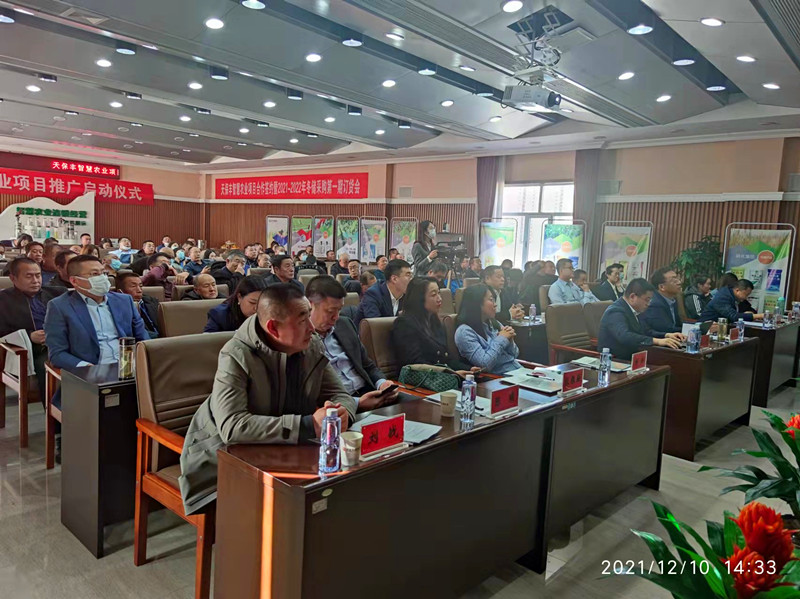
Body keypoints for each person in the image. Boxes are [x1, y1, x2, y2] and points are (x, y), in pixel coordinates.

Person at [180, 283, 357, 513]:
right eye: (302, 320)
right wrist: (308, 425)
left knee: (338, 496)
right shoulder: (235, 355)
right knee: (286, 514)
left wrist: (342, 413)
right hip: (225, 460)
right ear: (273, 327)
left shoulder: (311, 345)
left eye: (309, 316)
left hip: (287, 451)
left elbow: (340, 394)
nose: (312, 327)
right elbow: (232, 426)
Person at [307, 276, 400, 412]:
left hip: (370, 392)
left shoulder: (345, 324)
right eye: (330, 311)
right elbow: (313, 392)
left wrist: (382, 383)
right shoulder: (301, 340)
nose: (336, 317)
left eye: (339, 310)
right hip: (338, 406)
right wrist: (357, 403)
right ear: (310, 305)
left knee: (416, 406)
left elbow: (368, 365)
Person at [44, 255, 149, 372]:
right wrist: (86, 368)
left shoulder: (124, 301)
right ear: (74, 281)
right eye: (94, 274)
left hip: (129, 367)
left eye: (103, 273)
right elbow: (57, 354)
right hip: (92, 370)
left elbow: (143, 338)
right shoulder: (60, 307)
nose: (102, 278)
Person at [0, 258, 66, 404]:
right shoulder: (3, 300)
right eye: (29, 276)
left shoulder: (57, 293)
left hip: (65, 342)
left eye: (38, 275)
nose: (35, 281)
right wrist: (29, 335)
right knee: (47, 364)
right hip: (33, 350)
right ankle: (54, 413)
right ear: (13, 278)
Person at [391, 277, 477, 373]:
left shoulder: (434, 322)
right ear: (419, 299)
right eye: (433, 295)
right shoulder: (404, 324)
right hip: (421, 378)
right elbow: (414, 364)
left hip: (440, 376)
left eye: (439, 293)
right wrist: (450, 373)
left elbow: (446, 359)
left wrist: (468, 369)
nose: (439, 299)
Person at [597, 278, 683, 360]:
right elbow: (625, 336)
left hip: (633, 356)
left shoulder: (635, 310)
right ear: (632, 297)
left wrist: (666, 335)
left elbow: (646, 331)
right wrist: (656, 341)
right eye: (647, 300)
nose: (648, 304)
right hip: (615, 360)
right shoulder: (615, 311)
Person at [454, 284, 521, 375]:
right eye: (491, 300)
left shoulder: (494, 323)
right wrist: (502, 338)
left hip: (516, 370)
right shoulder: (464, 332)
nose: (495, 304)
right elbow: (485, 364)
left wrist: (510, 340)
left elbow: (514, 354)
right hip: (500, 378)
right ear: (477, 303)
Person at [354, 259, 412, 326]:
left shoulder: (407, 295)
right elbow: (376, 325)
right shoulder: (373, 294)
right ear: (394, 279)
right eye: (408, 275)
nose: (411, 279)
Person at [640, 267, 685, 335]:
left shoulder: (673, 300)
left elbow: (678, 325)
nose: (679, 282)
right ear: (662, 287)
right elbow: (666, 329)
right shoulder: (655, 304)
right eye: (674, 280)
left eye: (677, 279)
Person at [116, 272, 160, 338]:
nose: (139, 290)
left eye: (140, 286)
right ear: (120, 292)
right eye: (133, 286)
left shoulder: (151, 301)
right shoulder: (118, 309)